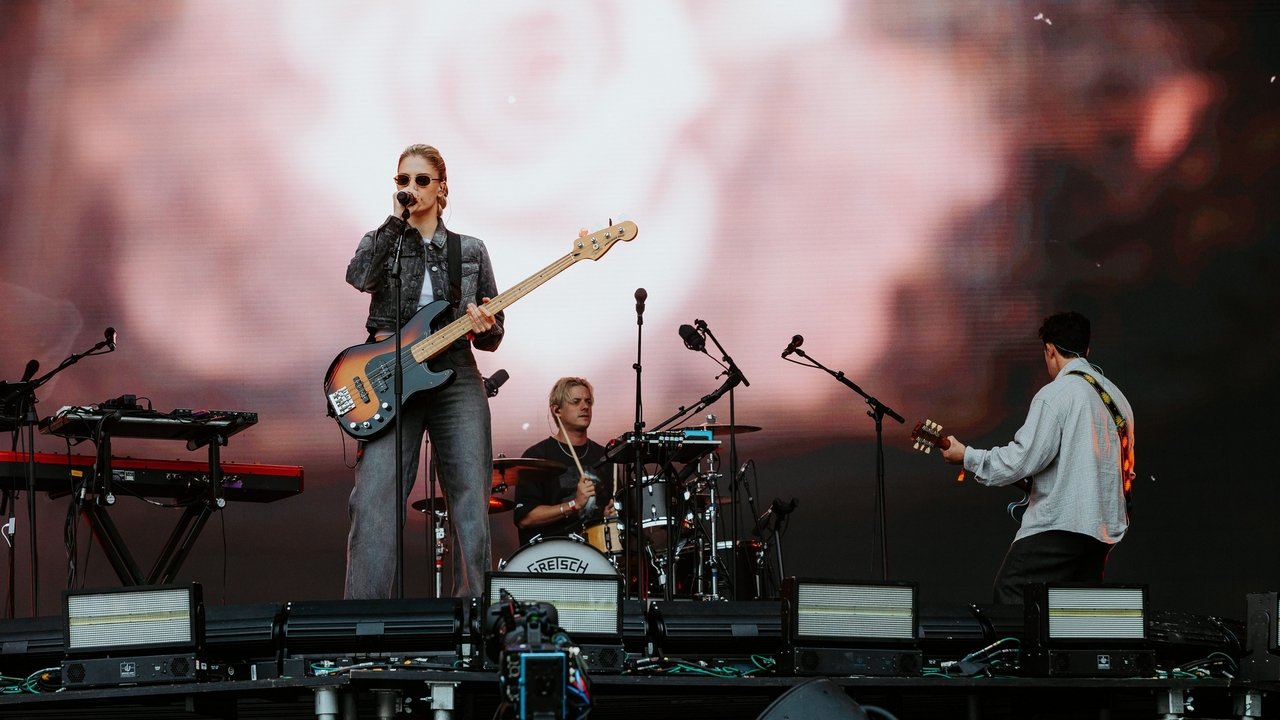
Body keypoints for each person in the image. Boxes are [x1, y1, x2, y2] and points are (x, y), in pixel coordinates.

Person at [344, 143, 503, 599]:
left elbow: (494, 333)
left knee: (472, 502)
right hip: (390, 374)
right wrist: (395, 221)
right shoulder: (382, 240)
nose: (409, 188)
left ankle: (474, 621)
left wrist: (485, 325)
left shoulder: (469, 250)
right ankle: (361, 626)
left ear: (442, 189)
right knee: (374, 503)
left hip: (454, 371)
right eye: (402, 181)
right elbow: (360, 278)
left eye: (420, 180)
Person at [940, 311, 1134, 604]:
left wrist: (966, 456)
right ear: (1086, 350)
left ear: (1050, 350)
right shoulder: (1118, 399)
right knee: (1070, 614)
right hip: (1102, 533)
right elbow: (1123, 472)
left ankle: (1025, 653)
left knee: (1011, 594)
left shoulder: (1057, 394)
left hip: (1061, 525)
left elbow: (1021, 459)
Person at [513, 377, 614, 547]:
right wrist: (574, 504)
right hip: (551, 555)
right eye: (576, 402)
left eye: (588, 401)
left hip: (596, 553)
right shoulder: (537, 456)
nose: (585, 407)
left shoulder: (605, 456)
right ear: (557, 410)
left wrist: (610, 515)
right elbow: (525, 518)